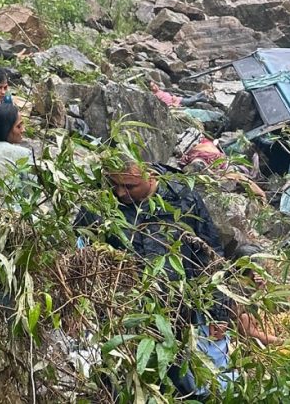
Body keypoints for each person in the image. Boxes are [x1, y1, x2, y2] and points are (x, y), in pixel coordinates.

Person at [74, 160, 232, 398]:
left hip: (179, 311)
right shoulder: (100, 203)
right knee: (121, 383)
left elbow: (210, 256)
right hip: (122, 314)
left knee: (188, 382)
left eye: (129, 186)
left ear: (149, 176)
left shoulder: (182, 197)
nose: (120, 193)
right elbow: (76, 249)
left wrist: (218, 312)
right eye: (114, 184)